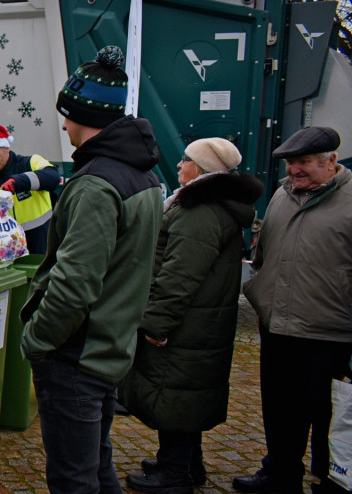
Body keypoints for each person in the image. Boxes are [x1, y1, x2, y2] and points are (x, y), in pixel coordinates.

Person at [19, 45, 163, 494]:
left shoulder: (97, 184)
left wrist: (38, 339)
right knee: (97, 467)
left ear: (82, 113)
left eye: (67, 115)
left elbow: (74, 281)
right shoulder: (142, 176)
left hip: (76, 356)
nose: (63, 125)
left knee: (73, 478)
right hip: (109, 347)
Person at [119, 138, 264, 494]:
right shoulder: (209, 206)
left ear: (201, 168)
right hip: (200, 320)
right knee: (185, 393)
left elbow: (180, 273)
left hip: (186, 323)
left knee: (176, 393)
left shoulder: (199, 211)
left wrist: (157, 321)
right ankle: (187, 463)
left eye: (186, 160)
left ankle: (175, 473)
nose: (180, 164)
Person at [234, 126, 352, 494]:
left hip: (330, 332)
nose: (294, 171)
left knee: (328, 413)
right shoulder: (282, 198)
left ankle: (331, 479)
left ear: (331, 161)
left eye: (303, 163)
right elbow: (263, 254)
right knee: (280, 408)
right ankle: (280, 472)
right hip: (278, 327)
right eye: (290, 164)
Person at [0, 124, 60, 253]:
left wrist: (19, 181)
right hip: (8, 247)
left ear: (6, 147)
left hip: (44, 240)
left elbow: (53, 176)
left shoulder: (30, 163)